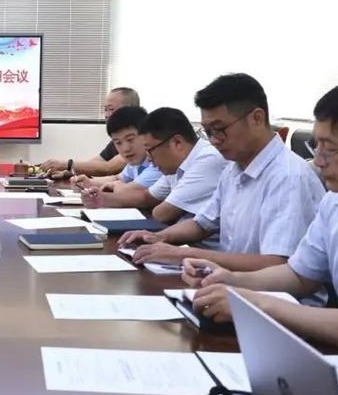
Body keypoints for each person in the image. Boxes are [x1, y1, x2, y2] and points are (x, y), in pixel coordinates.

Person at [183, 76, 338, 395]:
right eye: (317, 147)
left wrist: (254, 302)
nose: (319, 161)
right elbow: (300, 274)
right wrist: (231, 279)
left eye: (330, 149)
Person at [125, 73, 325, 272]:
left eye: (219, 129)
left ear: (256, 118)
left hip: (266, 290)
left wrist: (183, 254)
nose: (213, 140)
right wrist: (159, 237)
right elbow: (203, 223)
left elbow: (278, 264)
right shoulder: (234, 168)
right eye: (208, 132)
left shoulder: (288, 177)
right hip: (231, 282)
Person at [139, 107, 229, 223]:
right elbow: (148, 197)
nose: (148, 158)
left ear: (177, 143)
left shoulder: (209, 158)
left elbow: (162, 214)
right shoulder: (174, 166)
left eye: (149, 150)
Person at [71, 106, 163, 209]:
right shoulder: (136, 161)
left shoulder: (159, 163)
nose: (125, 148)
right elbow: (118, 178)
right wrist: (88, 182)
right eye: (118, 143)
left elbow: (128, 191)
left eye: (130, 140)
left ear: (146, 134)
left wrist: (115, 185)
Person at [40, 87, 139, 177]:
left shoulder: (140, 135)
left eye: (111, 109)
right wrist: (67, 172)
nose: (106, 115)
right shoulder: (118, 138)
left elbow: (108, 168)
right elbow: (98, 162)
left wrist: (67, 164)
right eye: (105, 109)